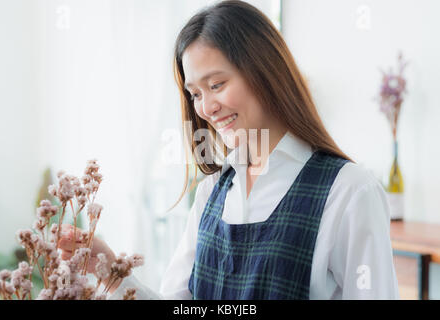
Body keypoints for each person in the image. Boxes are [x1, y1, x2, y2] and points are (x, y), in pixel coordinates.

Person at [59, 0, 399, 299]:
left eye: (217, 84)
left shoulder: (349, 191)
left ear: (265, 71)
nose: (206, 107)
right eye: (195, 93)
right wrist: (111, 272)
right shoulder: (212, 193)